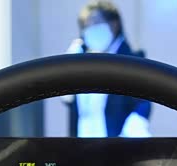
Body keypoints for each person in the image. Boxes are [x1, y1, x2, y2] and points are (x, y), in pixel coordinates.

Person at [64, 1, 152, 138]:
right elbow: (67, 99)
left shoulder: (134, 61)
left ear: (114, 24)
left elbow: (143, 104)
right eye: (86, 25)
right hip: (82, 145)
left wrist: (131, 133)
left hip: (118, 145)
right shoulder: (82, 60)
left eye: (96, 22)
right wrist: (69, 64)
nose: (90, 29)